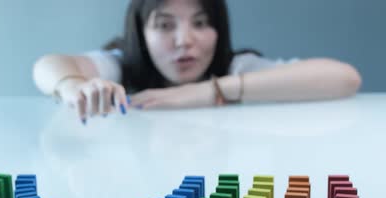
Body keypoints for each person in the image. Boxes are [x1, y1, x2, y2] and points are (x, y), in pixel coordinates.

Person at [33, 0, 362, 124]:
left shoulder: (235, 67)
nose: (184, 40)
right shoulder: (122, 65)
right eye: (164, 25)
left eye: (201, 22)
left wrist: (210, 91)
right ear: (140, 32)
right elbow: (47, 65)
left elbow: (344, 78)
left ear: (219, 30)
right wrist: (74, 87)